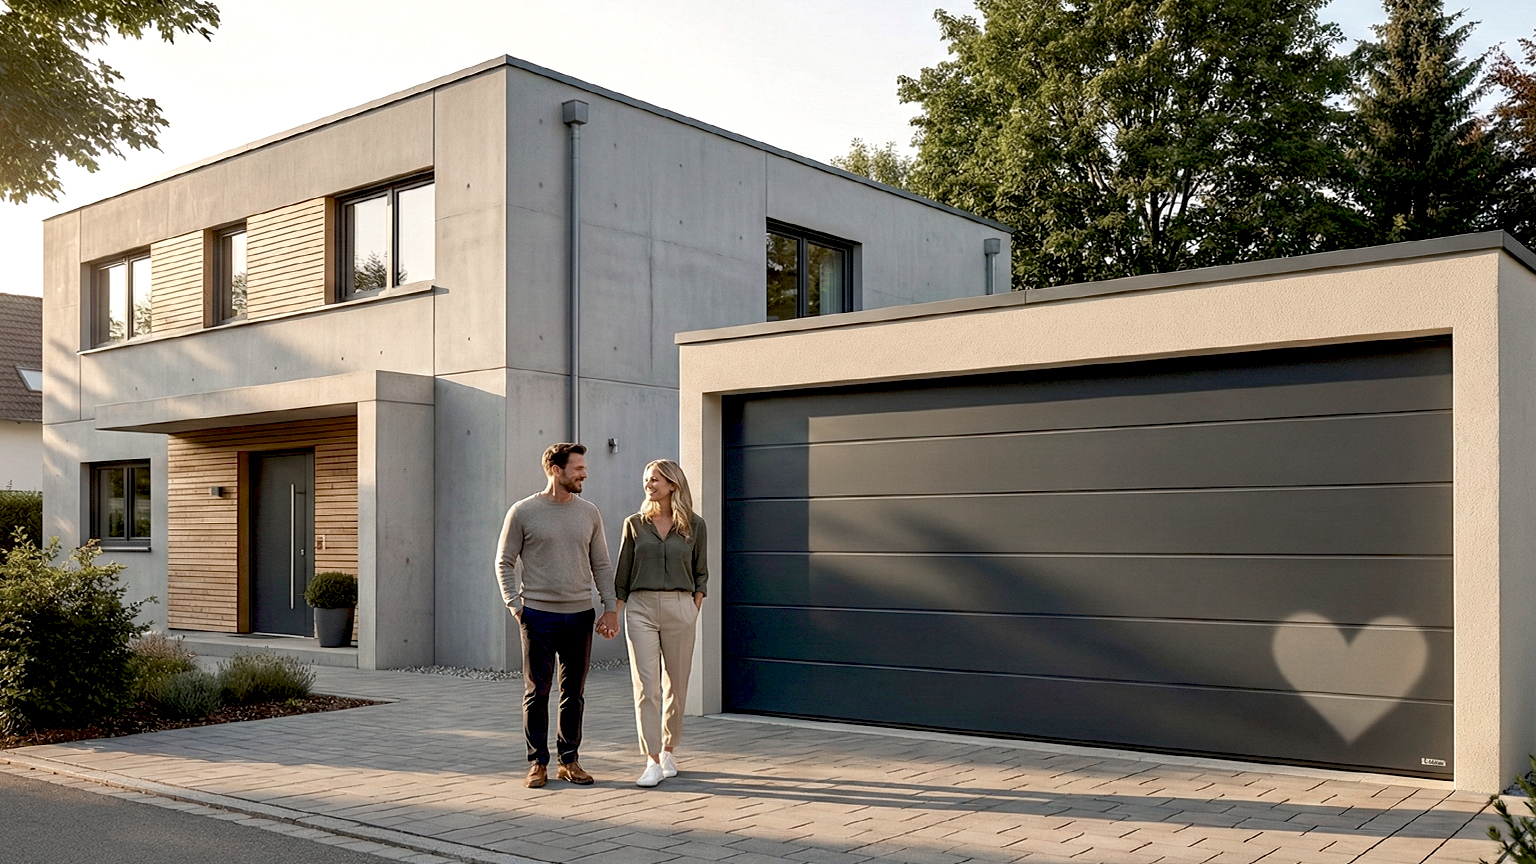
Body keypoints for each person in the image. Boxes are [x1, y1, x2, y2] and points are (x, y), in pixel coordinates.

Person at [496, 442, 619, 789]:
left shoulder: (589, 512)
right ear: (556, 469)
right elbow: (504, 560)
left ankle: (570, 761)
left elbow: (602, 564)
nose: (585, 474)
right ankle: (537, 763)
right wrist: (514, 605)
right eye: (578, 468)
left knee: (573, 693)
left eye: (584, 468)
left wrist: (609, 608)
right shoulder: (523, 511)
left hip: (580, 614)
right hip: (537, 615)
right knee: (538, 691)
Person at [613, 459, 708, 788]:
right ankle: (651, 759)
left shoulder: (694, 526)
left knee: (676, 688)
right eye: (646, 480)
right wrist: (615, 611)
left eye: (654, 480)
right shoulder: (634, 524)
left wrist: (693, 606)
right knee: (646, 688)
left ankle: (669, 749)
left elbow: (701, 574)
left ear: (672, 485)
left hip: (680, 607)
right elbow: (622, 573)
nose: (648, 485)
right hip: (640, 608)